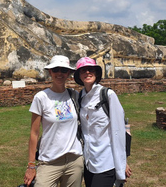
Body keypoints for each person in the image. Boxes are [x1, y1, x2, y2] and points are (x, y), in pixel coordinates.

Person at [24, 55, 84, 187]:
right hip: (49, 160)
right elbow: (34, 133)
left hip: (74, 159)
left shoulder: (75, 95)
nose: (60, 73)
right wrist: (31, 165)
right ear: (50, 72)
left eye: (63, 70)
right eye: (56, 69)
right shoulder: (42, 97)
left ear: (68, 73)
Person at [74, 57, 132, 187]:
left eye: (90, 70)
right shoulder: (80, 98)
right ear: (79, 75)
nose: (87, 73)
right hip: (88, 161)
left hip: (106, 160)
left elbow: (118, 131)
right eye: (83, 70)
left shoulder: (108, 95)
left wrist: (122, 162)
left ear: (96, 72)